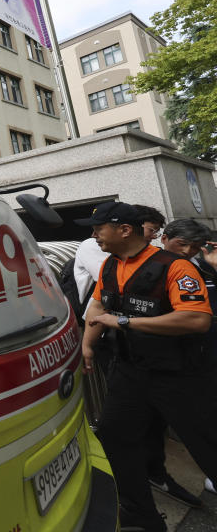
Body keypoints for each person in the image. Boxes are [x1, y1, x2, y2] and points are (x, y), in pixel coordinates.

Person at [79, 202, 217, 531]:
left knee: (206, 442)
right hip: (130, 373)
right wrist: (87, 344)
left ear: (125, 230)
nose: (94, 235)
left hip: (178, 375)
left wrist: (126, 321)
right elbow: (99, 304)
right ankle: (140, 513)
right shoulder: (110, 266)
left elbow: (197, 319)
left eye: (99, 228)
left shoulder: (175, 267)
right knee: (113, 435)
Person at [159, 218, 217, 498]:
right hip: (180, 361)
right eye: (182, 244)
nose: (187, 251)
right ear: (164, 238)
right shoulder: (155, 269)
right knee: (197, 423)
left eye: (194, 247)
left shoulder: (202, 267)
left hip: (206, 357)